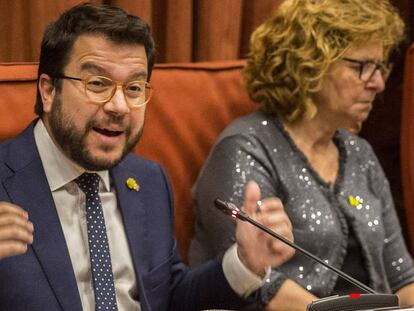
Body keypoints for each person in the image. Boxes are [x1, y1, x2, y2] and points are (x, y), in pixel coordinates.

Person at [0, 3, 295, 311]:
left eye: (134, 88)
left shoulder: (148, 180)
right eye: (97, 84)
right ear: (48, 91)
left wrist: (245, 263)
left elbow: (169, 297)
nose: (119, 106)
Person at [189, 0, 414, 310]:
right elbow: (259, 285)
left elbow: (402, 277)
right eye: (361, 66)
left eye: (380, 67)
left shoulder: (360, 153)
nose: (378, 83)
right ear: (309, 65)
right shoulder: (245, 148)